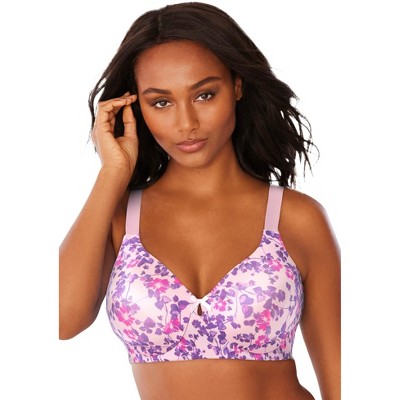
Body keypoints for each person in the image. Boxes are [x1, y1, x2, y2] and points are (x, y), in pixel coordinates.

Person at [59, 2, 340, 399]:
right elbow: (62, 320)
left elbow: (344, 380)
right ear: (135, 108)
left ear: (237, 86)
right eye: (161, 102)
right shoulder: (121, 218)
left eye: (205, 95)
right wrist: (112, 173)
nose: (186, 123)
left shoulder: (296, 218)